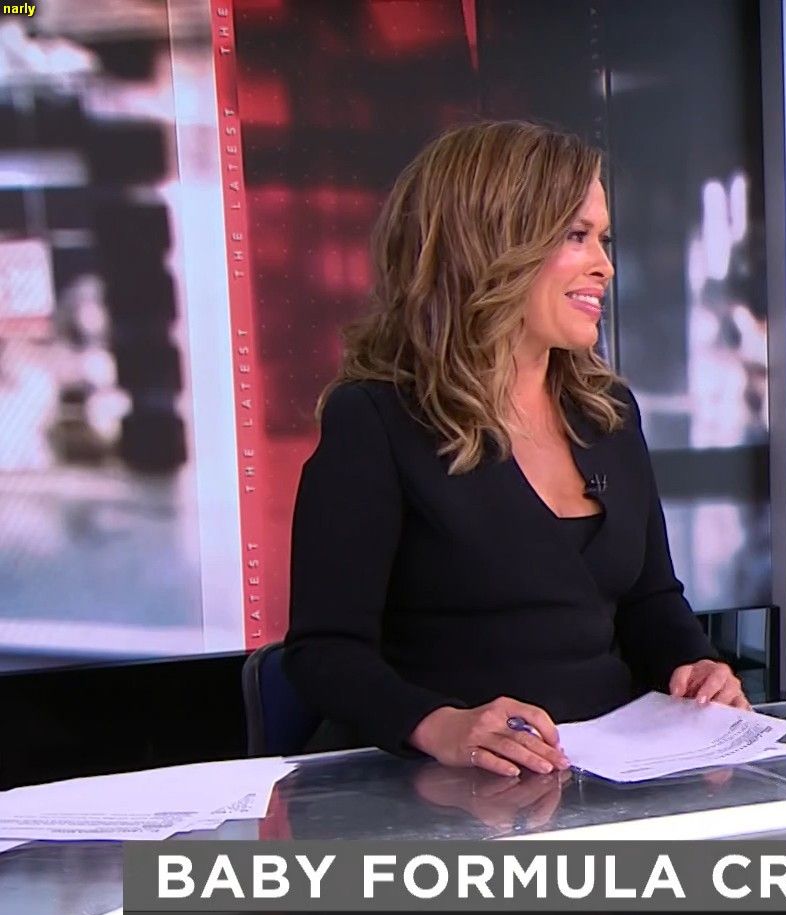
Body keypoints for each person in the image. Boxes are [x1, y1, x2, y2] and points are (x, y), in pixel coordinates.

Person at [283, 120, 747, 776]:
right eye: (576, 236)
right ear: (491, 243)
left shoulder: (610, 414)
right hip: (441, 789)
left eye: (604, 239)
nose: (605, 265)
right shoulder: (377, 420)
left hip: (604, 777)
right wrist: (442, 726)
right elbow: (325, 653)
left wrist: (694, 666)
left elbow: (650, 602)